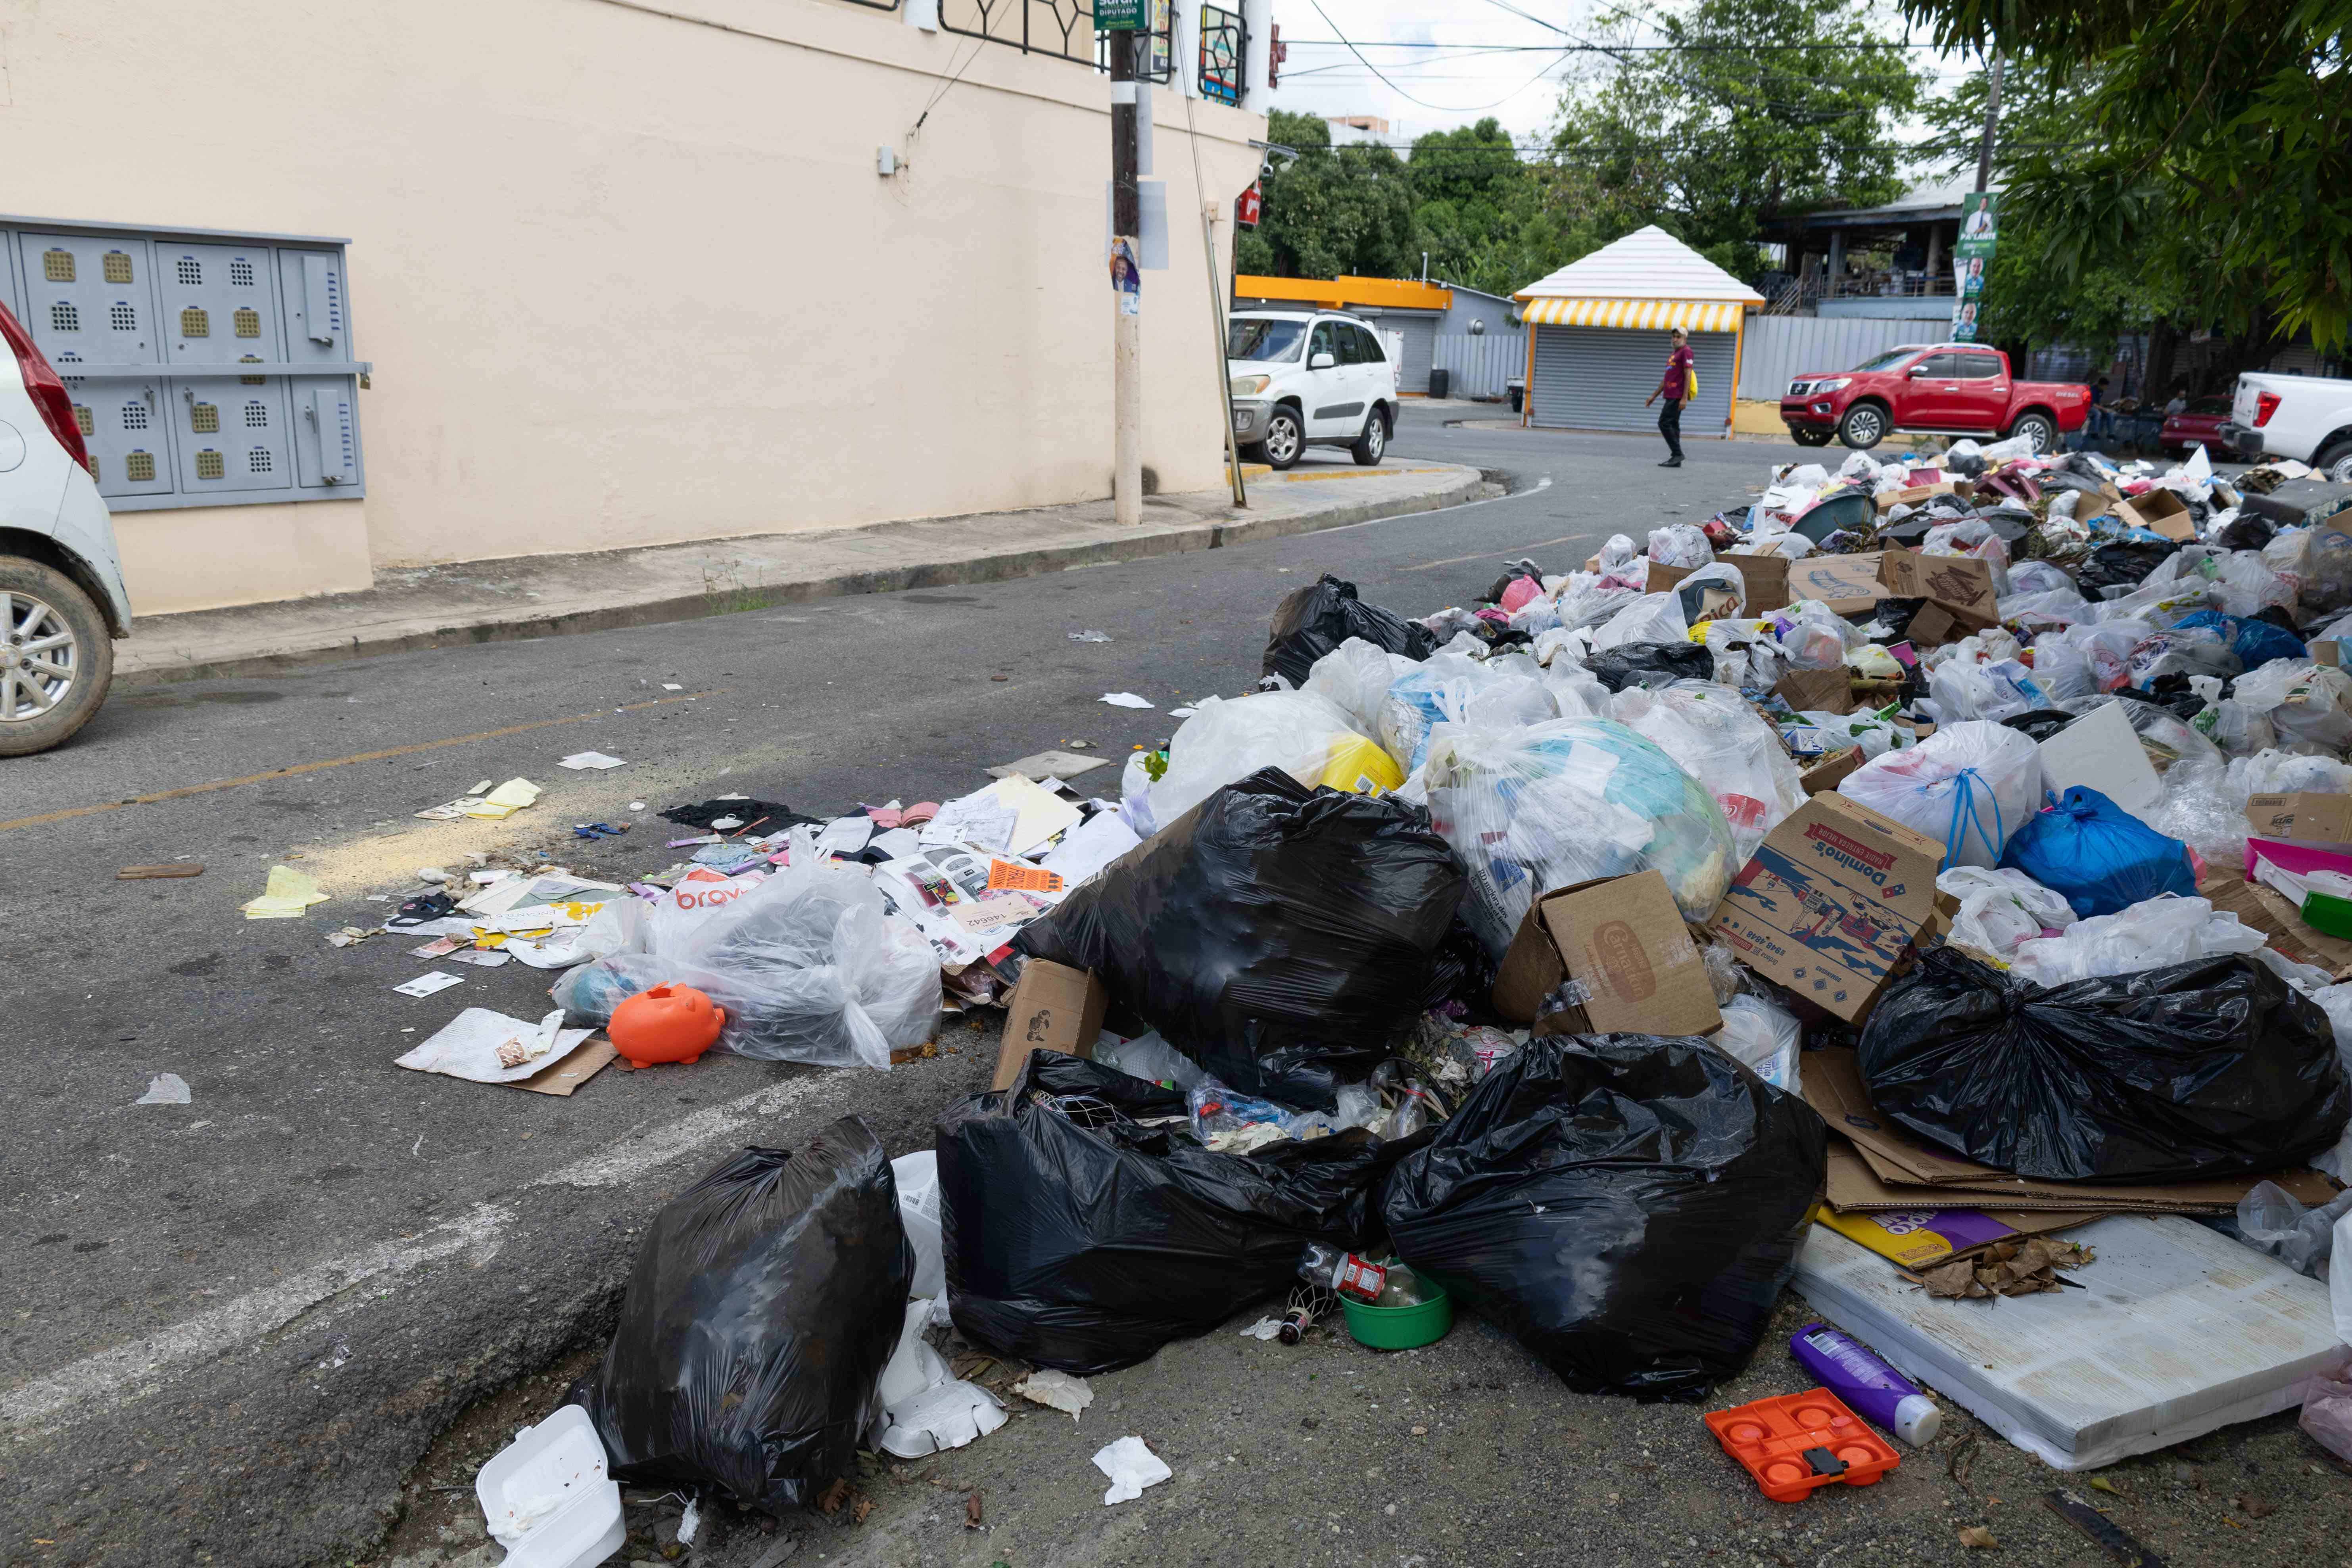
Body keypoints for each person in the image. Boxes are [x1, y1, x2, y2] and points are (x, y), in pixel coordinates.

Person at [1644, 326, 1695, 468]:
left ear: (1685, 338)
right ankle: (1676, 458)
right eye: (1674, 336)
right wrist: (1653, 396)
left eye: (1679, 337)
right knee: (1673, 425)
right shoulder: (1675, 354)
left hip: (1677, 396)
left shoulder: (1686, 352)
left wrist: (1685, 398)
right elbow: (1666, 378)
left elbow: (1688, 374)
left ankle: (1677, 454)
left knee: (1664, 423)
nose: (1675, 339)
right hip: (1670, 395)